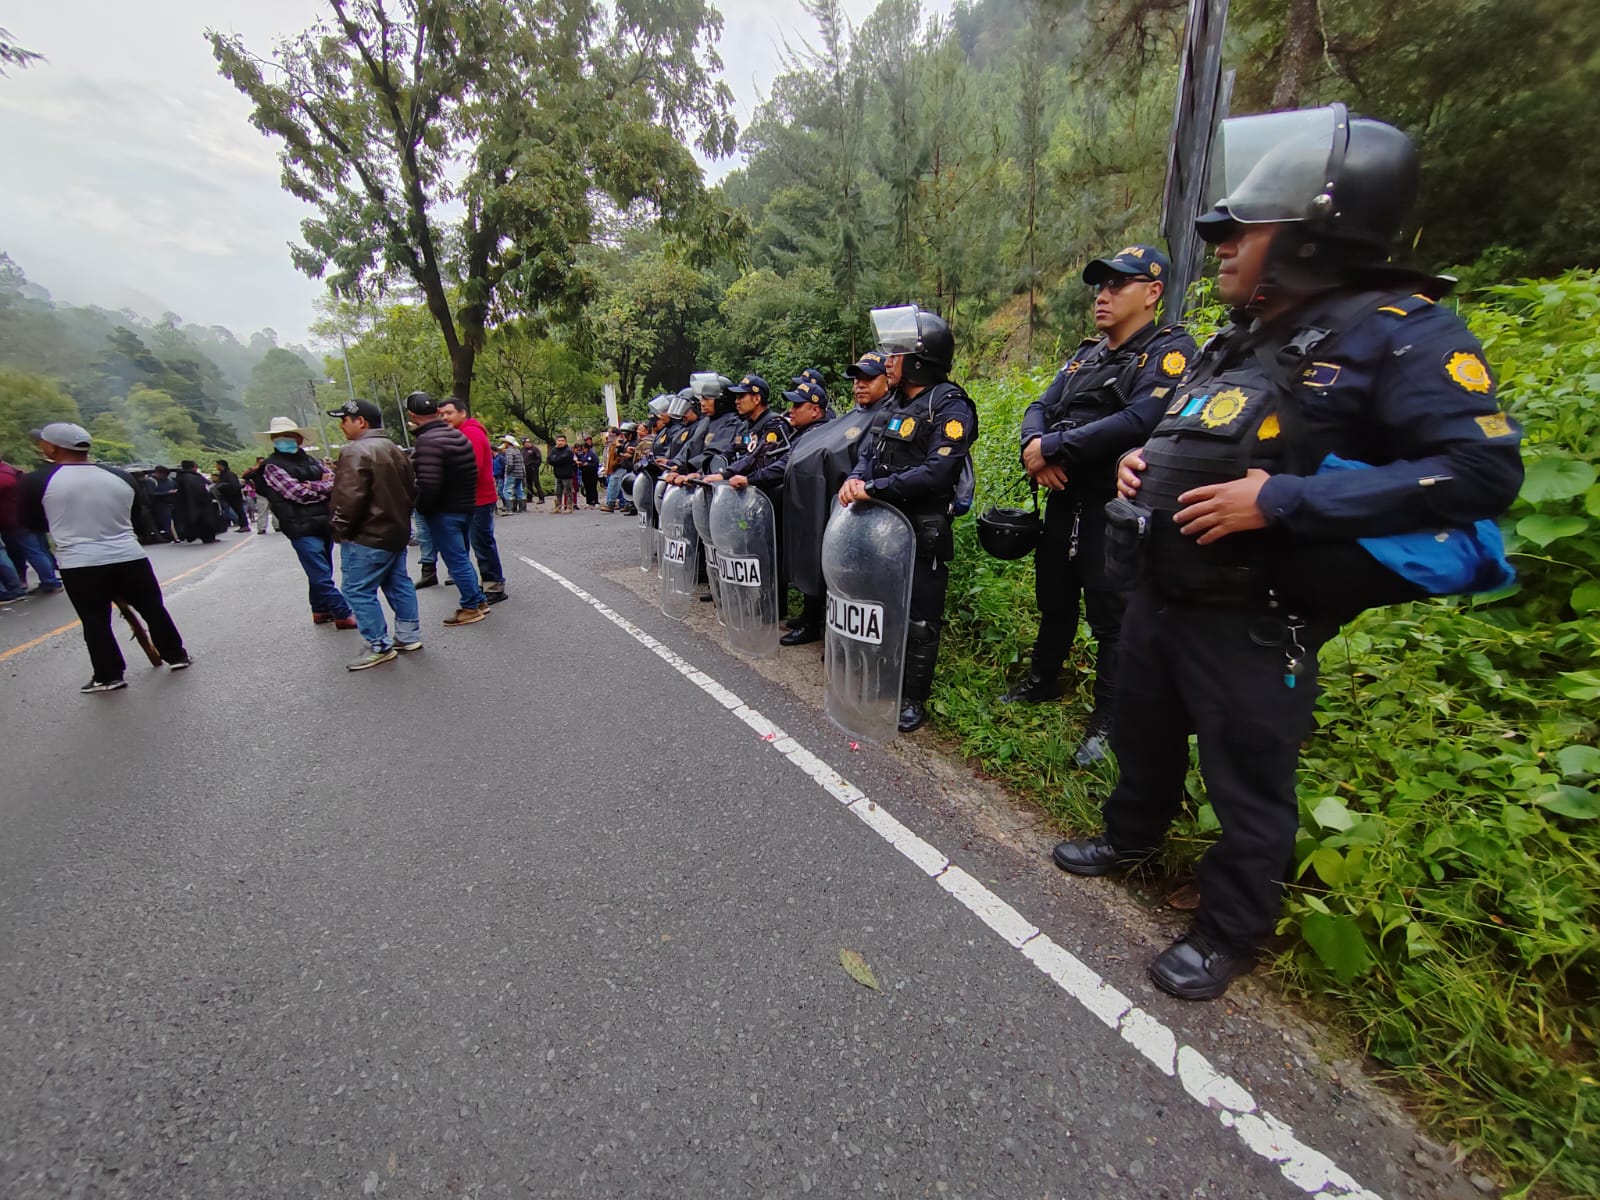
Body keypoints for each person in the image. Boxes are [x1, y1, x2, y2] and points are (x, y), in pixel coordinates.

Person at [1051, 107, 1525, 1001]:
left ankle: (1228, 933)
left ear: (1318, 231)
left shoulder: (1402, 332)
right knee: (1143, 734)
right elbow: (1193, 427)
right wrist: (1142, 465)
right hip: (1165, 590)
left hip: (1258, 616)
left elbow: (1479, 471)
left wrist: (1281, 499)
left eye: (1246, 230)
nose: (1221, 244)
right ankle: (1130, 837)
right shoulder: (1241, 335)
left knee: (1248, 780)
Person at [1004, 245, 1198, 765]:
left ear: (1153, 292)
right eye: (1101, 285)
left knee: (1113, 616)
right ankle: (1044, 679)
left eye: (1119, 284)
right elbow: (1039, 405)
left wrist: (1054, 447)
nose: (1103, 295)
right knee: (1055, 596)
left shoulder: (1168, 352)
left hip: (1116, 507)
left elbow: (1139, 421)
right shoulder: (1088, 354)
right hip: (1065, 500)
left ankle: (1108, 720)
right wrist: (1034, 448)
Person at [839, 306, 977, 733]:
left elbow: (938, 472)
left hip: (922, 530)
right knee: (879, 605)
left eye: (896, 354)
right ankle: (882, 680)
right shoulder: (894, 403)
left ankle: (913, 698)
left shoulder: (950, 406)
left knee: (919, 618)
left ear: (921, 359)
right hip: (878, 528)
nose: (888, 361)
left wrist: (874, 489)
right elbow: (868, 454)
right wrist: (856, 478)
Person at [19, 422, 191, 692]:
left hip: (80, 561)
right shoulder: (119, 476)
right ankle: (177, 655)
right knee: (153, 608)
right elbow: (136, 515)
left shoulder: (36, 481)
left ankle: (109, 675)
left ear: (51, 446)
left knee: (95, 619)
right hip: (129, 554)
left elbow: (32, 522)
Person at [781, 354, 894, 645]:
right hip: (823, 500)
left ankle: (842, 636)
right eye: (856, 380)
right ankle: (813, 617)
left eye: (868, 379)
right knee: (817, 555)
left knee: (847, 572)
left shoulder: (889, 415)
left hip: (859, 509)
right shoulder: (856, 414)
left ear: (889, 379)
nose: (859, 385)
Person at [326, 398, 422, 669]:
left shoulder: (356, 452)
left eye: (343, 420)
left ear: (361, 421)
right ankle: (408, 635)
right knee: (398, 582)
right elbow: (411, 490)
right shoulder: (394, 448)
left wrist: (339, 529)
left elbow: (348, 498)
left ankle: (379, 645)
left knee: (357, 589)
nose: (342, 426)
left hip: (367, 534)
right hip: (396, 530)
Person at [256, 416, 356, 629]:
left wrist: (311, 486)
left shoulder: (313, 461)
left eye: (288, 436)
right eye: (279, 437)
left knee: (323, 569)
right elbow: (297, 493)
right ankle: (342, 612)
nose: (284, 440)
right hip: (298, 525)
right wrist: (319, 487)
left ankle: (320, 609)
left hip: (323, 522)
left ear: (299, 439)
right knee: (319, 572)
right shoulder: (271, 467)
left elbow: (333, 481)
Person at [405, 392, 488, 625]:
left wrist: (420, 506)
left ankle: (471, 606)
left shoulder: (428, 441)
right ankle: (479, 599)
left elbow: (429, 484)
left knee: (456, 559)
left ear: (412, 415)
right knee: (462, 557)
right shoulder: (456, 435)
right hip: (465, 505)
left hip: (444, 510)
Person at [774, 378, 834, 645]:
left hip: (819, 509)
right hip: (806, 506)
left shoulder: (820, 431)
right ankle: (808, 616)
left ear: (815, 410)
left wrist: (749, 478)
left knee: (815, 564)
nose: (791, 411)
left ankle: (812, 622)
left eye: (798, 406)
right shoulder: (806, 432)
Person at [437, 397, 507, 605]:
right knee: (473, 541)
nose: (445, 417)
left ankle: (494, 585)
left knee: (482, 542)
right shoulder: (459, 433)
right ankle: (481, 583)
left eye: (449, 413)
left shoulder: (471, 433)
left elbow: (471, 468)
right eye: (441, 414)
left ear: (462, 413)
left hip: (479, 498)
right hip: (468, 499)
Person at [1, 453, 65, 594]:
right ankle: (51, 579)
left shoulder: (3, 477)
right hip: (29, 516)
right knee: (40, 549)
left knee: (33, 551)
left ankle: (49, 582)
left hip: (15, 520)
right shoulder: (13, 471)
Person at [172, 460, 224, 544]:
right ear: (193, 467)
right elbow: (202, 489)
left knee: (199, 521)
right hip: (200, 503)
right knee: (205, 521)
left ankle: (205, 537)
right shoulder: (191, 477)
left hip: (190, 504)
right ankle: (208, 537)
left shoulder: (182, 477)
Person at [241, 456, 278, 533]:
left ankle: (277, 526)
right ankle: (261, 528)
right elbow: (245, 476)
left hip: (273, 492)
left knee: (276, 511)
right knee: (262, 511)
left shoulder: (271, 470)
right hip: (261, 493)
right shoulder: (255, 472)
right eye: (260, 462)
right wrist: (255, 468)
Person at [144, 465, 178, 543]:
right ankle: (170, 536)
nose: (165, 477)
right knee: (166, 521)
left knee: (172, 520)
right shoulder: (151, 481)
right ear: (158, 473)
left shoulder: (170, 480)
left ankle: (175, 535)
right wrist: (167, 493)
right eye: (163, 475)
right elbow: (151, 493)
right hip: (159, 505)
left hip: (171, 503)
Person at [214, 459, 249, 532]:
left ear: (222, 466)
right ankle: (241, 525)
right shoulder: (222, 474)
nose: (216, 467)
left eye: (217, 465)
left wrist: (222, 486)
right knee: (236, 511)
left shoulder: (230, 474)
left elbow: (233, 485)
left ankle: (244, 525)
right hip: (227, 496)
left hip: (234, 495)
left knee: (239, 511)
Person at [548, 434, 577, 512]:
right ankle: (558, 507)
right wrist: (555, 460)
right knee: (557, 492)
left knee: (568, 491)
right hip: (557, 474)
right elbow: (550, 460)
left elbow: (563, 459)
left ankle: (569, 506)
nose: (560, 442)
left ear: (565, 441)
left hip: (567, 474)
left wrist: (555, 459)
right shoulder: (554, 449)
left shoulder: (568, 451)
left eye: (562, 441)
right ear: (556, 441)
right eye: (559, 440)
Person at [500, 434, 527, 513]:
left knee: (507, 491)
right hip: (520, 473)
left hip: (512, 474)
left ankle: (510, 509)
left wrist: (507, 473)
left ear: (507, 443)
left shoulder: (509, 451)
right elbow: (522, 463)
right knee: (519, 490)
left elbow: (510, 464)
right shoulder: (517, 450)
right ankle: (522, 508)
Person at [578, 437, 600, 507]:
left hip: (592, 473)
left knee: (593, 487)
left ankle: (595, 501)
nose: (583, 450)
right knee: (587, 487)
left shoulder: (592, 454)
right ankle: (588, 501)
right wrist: (580, 464)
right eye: (582, 449)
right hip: (585, 473)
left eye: (584, 448)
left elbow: (596, 463)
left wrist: (588, 464)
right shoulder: (581, 455)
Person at [521, 438, 545, 505]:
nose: (528, 444)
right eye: (526, 443)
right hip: (526, 468)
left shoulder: (534, 449)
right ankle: (529, 497)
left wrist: (535, 466)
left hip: (533, 468)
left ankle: (541, 498)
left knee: (536, 483)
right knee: (528, 483)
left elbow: (539, 459)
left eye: (529, 442)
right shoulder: (522, 450)